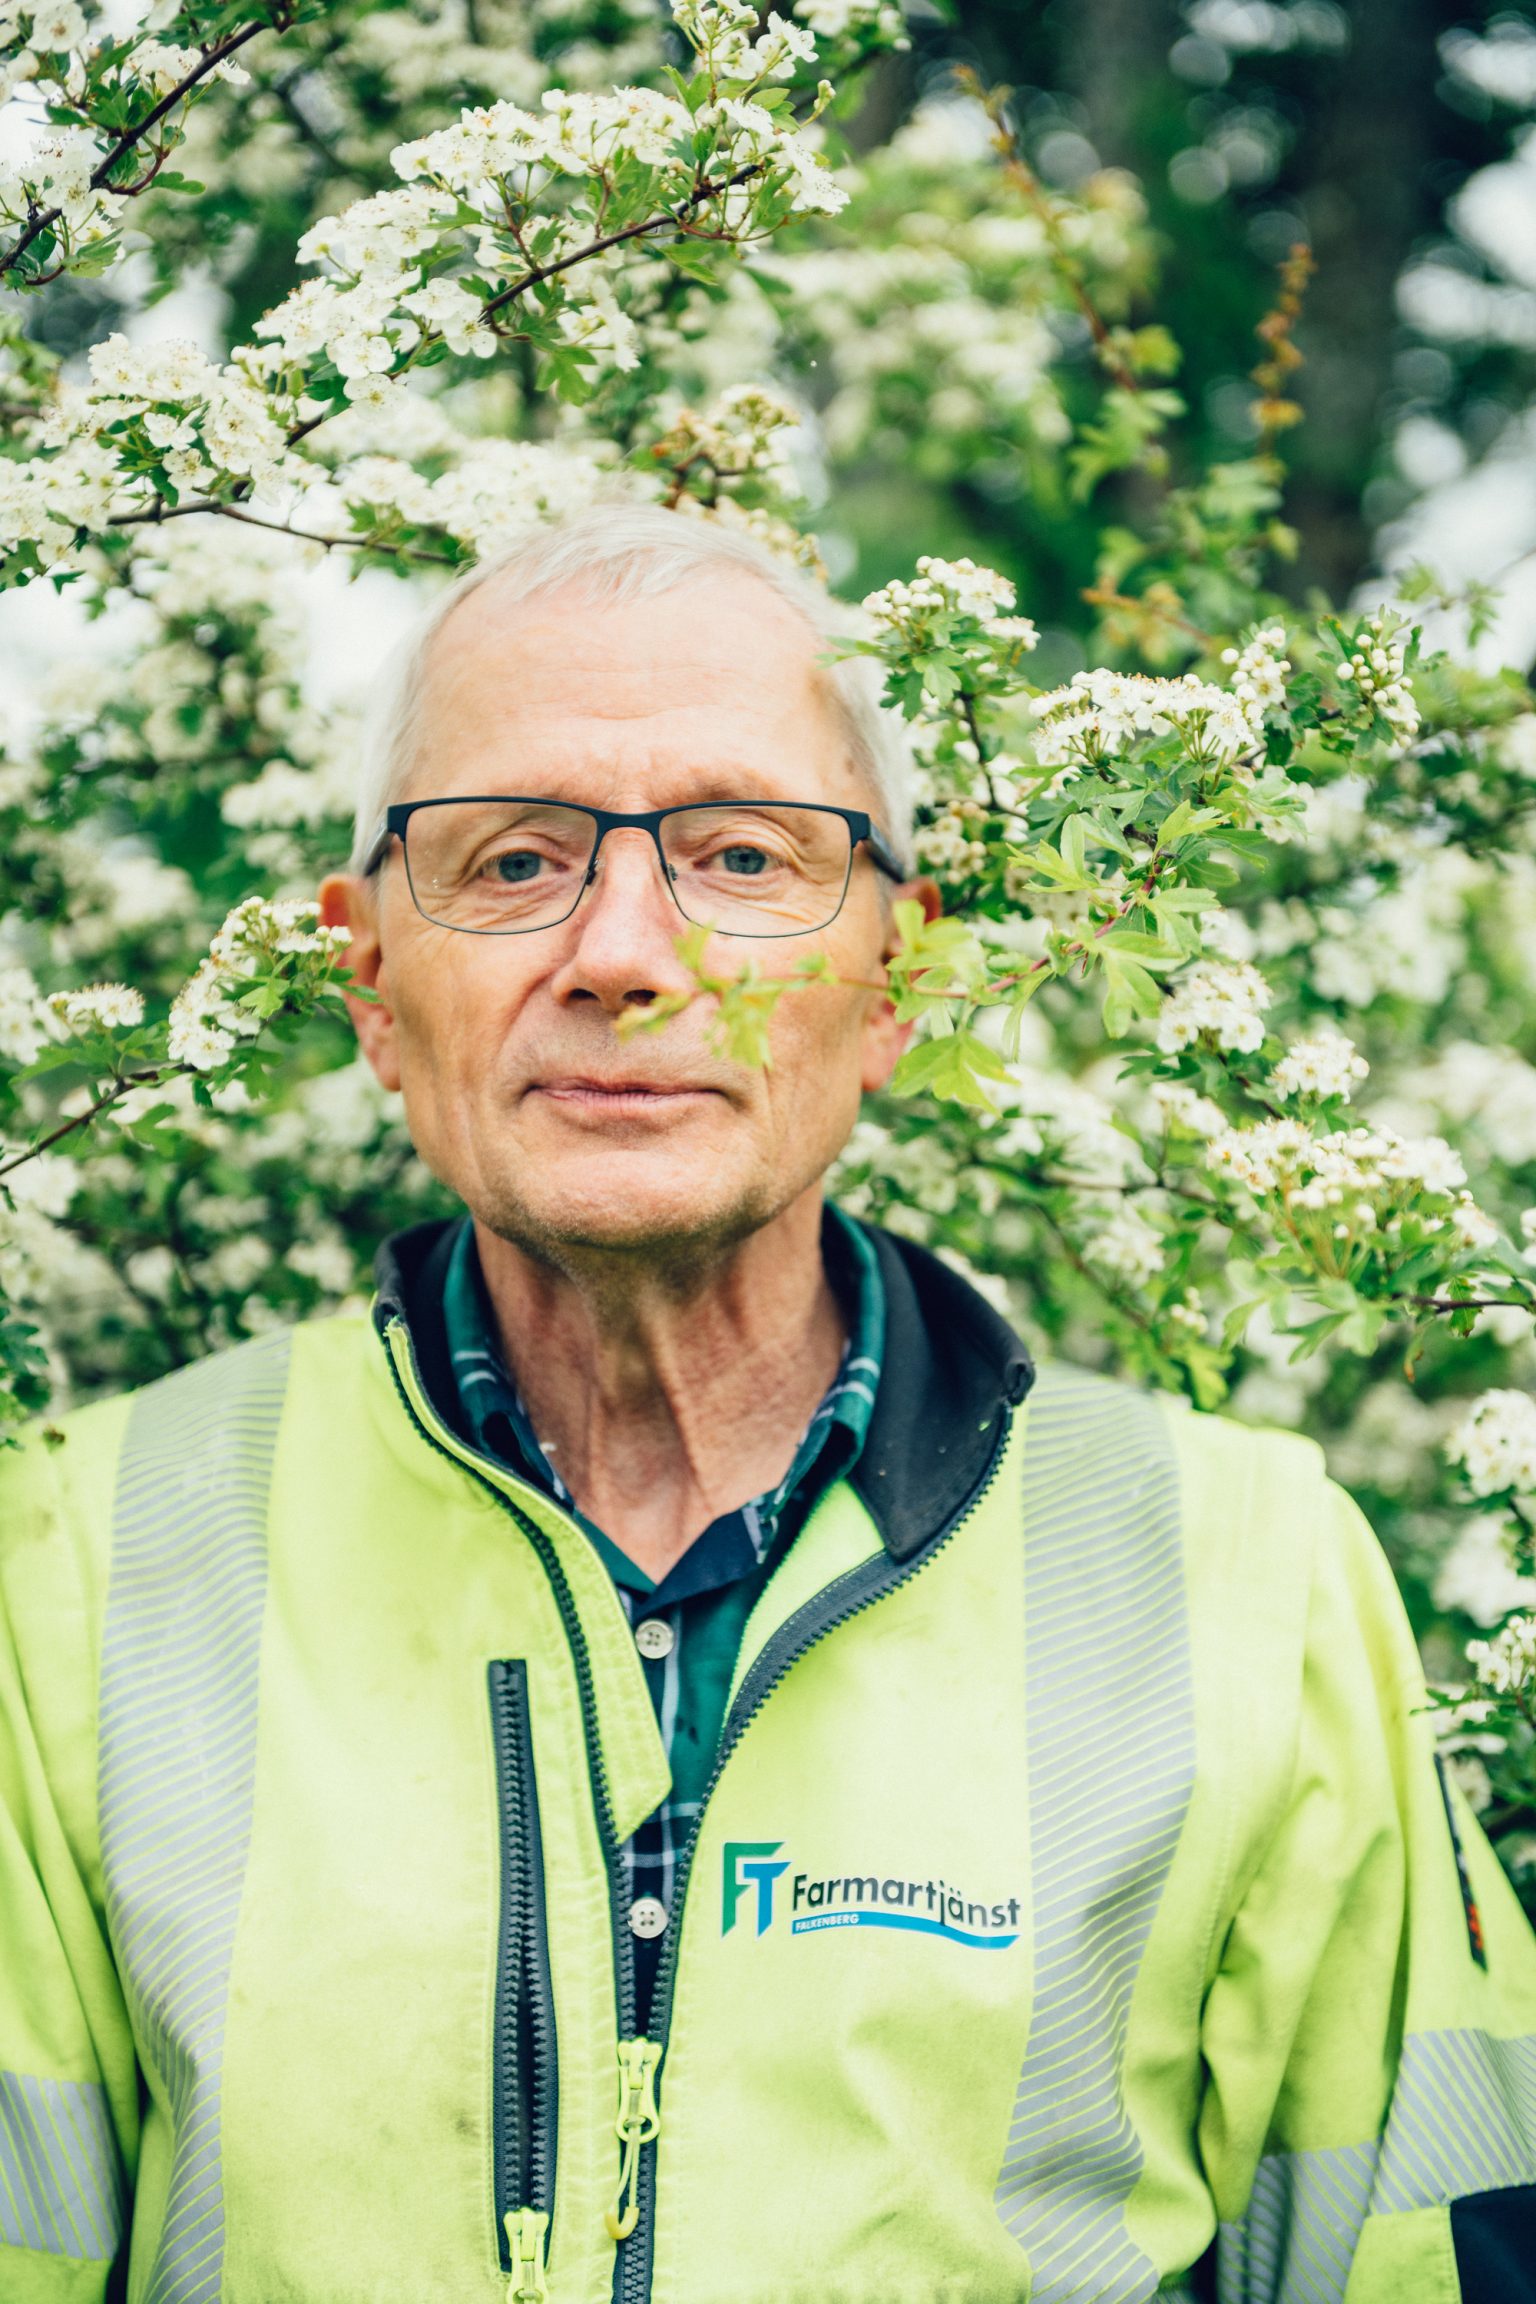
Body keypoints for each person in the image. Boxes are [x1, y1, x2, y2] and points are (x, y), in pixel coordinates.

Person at [1, 504, 1533, 2304]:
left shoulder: (1247, 1574)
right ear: (370, 989)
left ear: (896, 977)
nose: (625, 951)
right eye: (511, 864)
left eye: (740, 857)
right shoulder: (85, 1560)